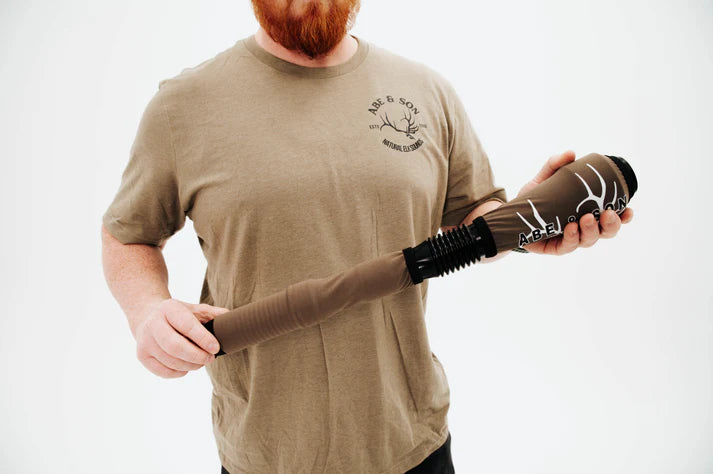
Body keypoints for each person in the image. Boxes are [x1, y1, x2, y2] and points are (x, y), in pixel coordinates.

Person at [100, 0, 634, 472]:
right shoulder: (183, 107)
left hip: (411, 444)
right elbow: (129, 234)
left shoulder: (425, 92)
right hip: (266, 455)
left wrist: (520, 223)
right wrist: (146, 310)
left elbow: (472, 218)